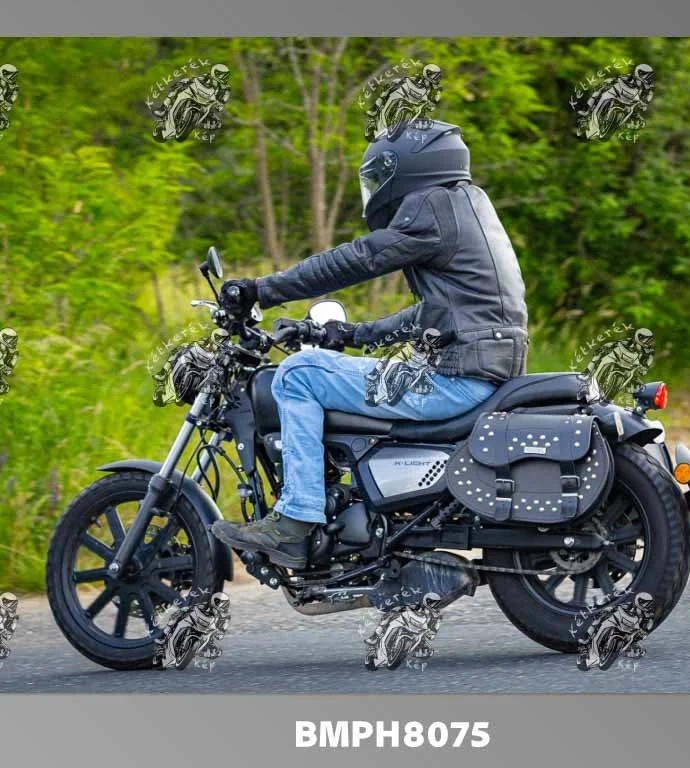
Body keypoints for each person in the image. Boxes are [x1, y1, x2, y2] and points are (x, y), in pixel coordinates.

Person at [210, 120, 529, 568]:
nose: (377, 189)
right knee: (317, 370)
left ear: (412, 166)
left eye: (381, 176)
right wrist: (351, 334)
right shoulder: (468, 206)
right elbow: (435, 314)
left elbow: (359, 258)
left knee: (298, 374)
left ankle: (296, 521)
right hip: (481, 369)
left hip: (457, 377)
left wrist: (262, 289)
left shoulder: (431, 205)